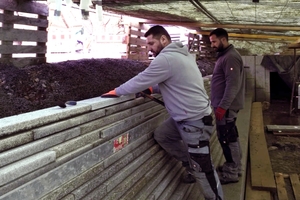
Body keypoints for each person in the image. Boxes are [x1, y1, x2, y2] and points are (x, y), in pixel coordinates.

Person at [101, 25, 223, 200]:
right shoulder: (183, 55)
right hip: (188, 118)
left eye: (151, 43)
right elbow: (174, 81)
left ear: (164, 40)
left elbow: (140, 79)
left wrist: (117, 91)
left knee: (203, 167)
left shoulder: (166, 59)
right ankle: (191, 165)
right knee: (163, 135)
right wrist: (153, 89)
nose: (149, 48)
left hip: (194, 122)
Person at [209, 28, 245, 184]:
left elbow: (232, 85)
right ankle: (235, 167)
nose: (212, 45)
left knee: (227, 139)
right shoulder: (225, 56)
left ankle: (232, 172)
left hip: (227, 108)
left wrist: (222, 107)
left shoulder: (230, 57)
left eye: (214, 41)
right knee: (231, 137)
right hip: (225, 107)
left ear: (223, 39)